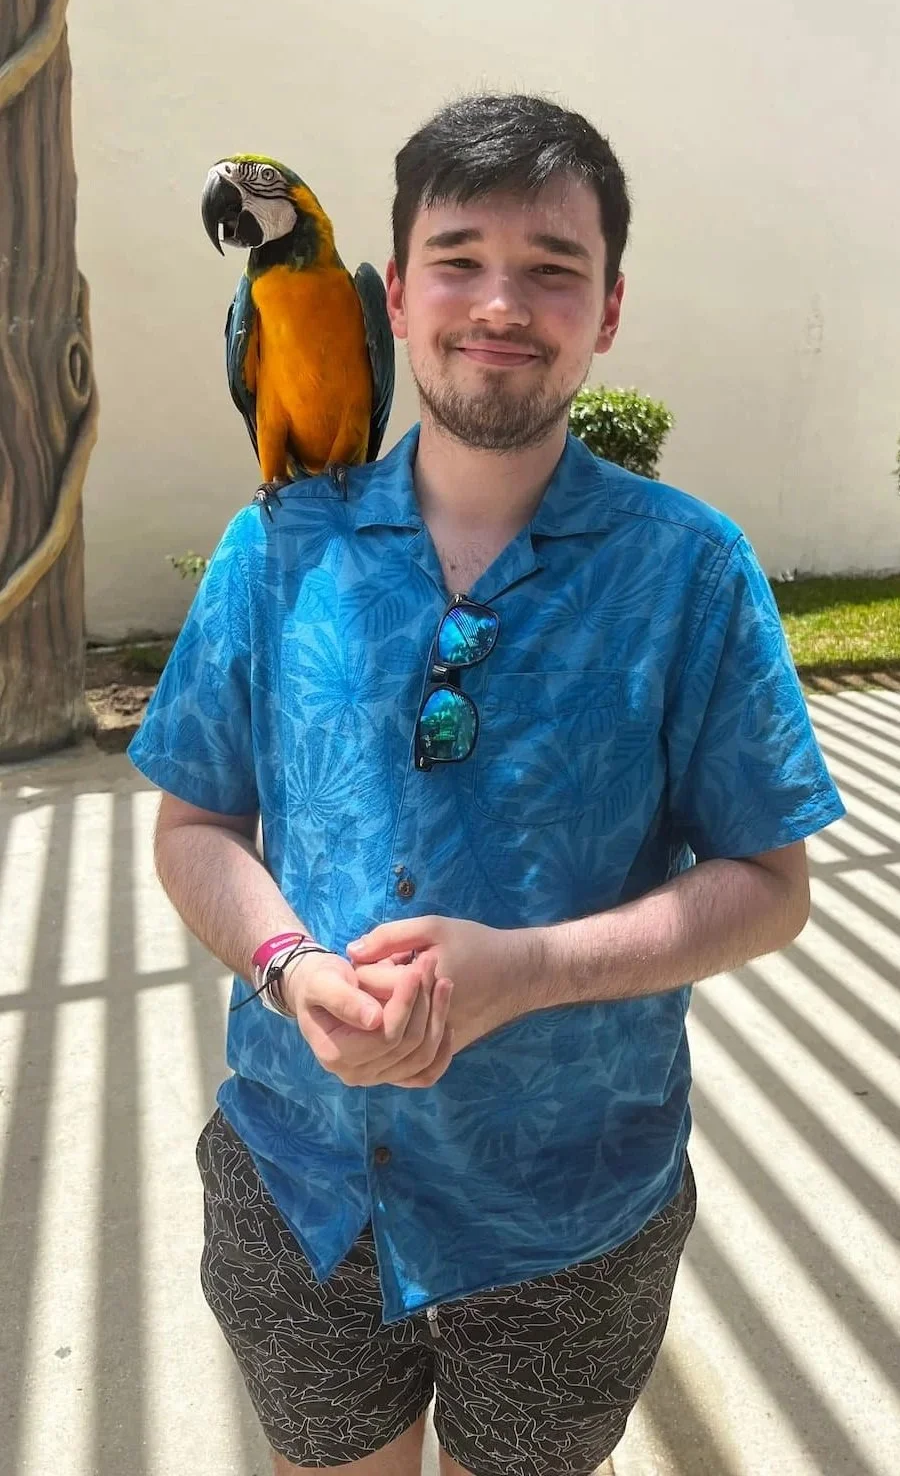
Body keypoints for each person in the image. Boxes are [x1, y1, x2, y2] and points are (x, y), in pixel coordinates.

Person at [129, 92, 844, 1476]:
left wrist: (525, 970)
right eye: (458, 258)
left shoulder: (692, 571)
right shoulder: (273, 550)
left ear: (610, 310)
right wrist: (287, 962)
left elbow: (772, 888)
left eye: (553, 267)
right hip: (302, 1180)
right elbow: (193, 822)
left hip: (576, 1210)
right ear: (393, 295)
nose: (500, 303)